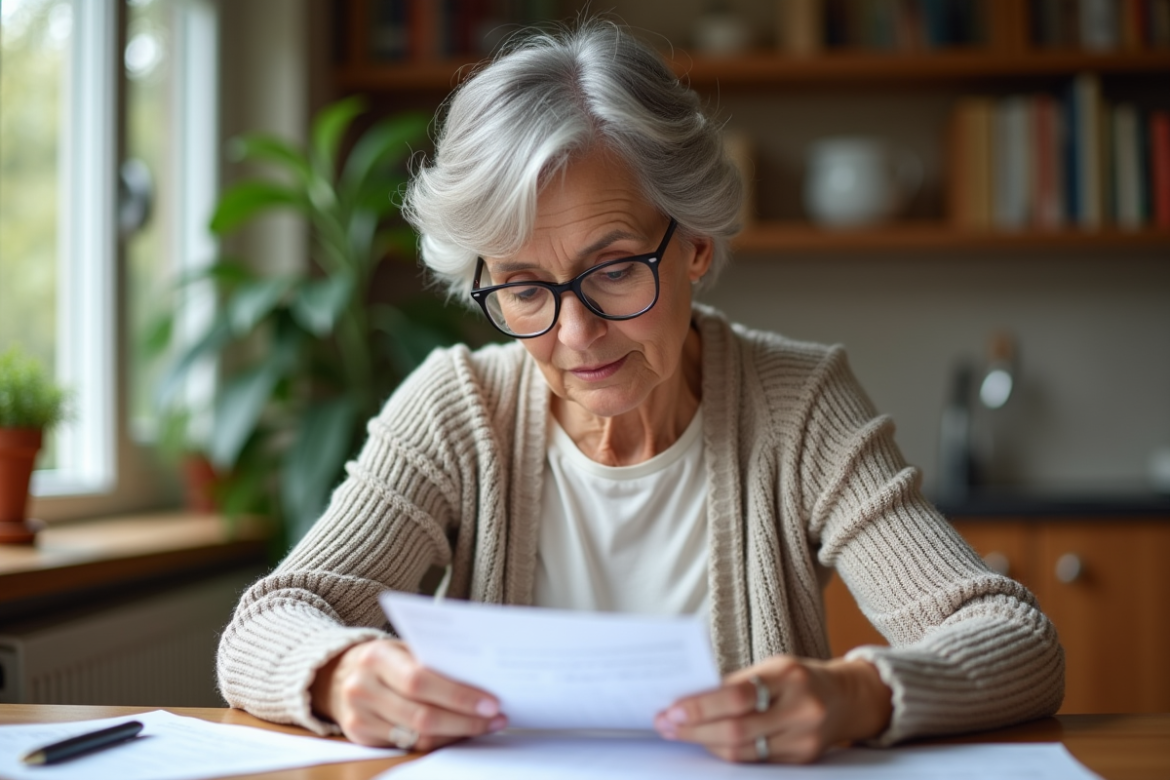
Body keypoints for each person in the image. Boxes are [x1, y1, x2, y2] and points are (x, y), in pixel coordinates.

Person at [216, 20, 1063, 764]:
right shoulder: (458, 409)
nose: (576, 335)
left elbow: (1015, 641)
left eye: (615, 270)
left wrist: (857, 694)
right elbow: (270, 620)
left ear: (693, 244)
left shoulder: (797, 403)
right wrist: (341, 672)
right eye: (521, 287)